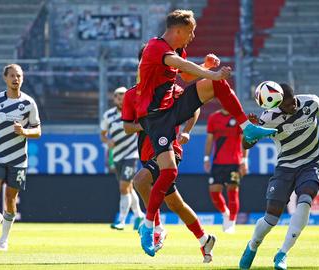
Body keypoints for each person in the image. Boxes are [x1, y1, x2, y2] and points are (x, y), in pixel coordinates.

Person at [136, 9, 277, 258]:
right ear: (178, 30)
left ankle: (248, 127)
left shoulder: (176, 49)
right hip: (155, 118)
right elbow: (180, 65)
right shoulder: (155, 48)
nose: (193, 36)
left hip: (172, 111)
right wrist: (210, 71)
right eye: (191, 32)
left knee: (216, 84)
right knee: (168, 176)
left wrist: (207, 69)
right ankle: (151, 226)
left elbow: (188, 73)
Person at [239, 83, 319, 270]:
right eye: (286, 106)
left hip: (311, 163)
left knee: (305, 201)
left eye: (292, 103)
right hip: (285, 167)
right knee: (271, 218)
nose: (291, 107)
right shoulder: (268, 118)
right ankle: (252, 246)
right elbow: (246, 145)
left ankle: (282, 254)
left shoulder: (310, 102)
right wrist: (253, 129)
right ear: (277, 104)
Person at [122, 82, 216, 262]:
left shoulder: (173, 90)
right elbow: (127, 127)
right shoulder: (131, 95)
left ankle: (157, 228)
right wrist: (148, 125)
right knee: (175, 204)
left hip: (170, 150)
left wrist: (187, 131)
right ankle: (205, 240)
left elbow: (194, 107)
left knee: (140, 181)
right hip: (147, 152)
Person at [0, 64, 41, 251]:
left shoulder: (29, 103)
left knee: (11, 200)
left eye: (19, 76)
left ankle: (4, 240)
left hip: (18, 159)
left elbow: (38, 130)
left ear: (23, 78)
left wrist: (25, 131)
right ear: (5, 78)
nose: (16, 79)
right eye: (12, 75)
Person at [100, 87, 145, 230]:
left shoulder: (133, 112)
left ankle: (122, 220)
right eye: (118, 96)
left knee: (123, 187)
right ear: (114, 98)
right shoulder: (108, 116)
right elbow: (102, 133)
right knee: (128, 188)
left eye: (123, 96)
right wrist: (107, 141)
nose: (120, 98)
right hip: (117, 155)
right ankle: (139, 216)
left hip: (131, 155)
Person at [204, 108, 248, 233]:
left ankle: (231, 222)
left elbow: (244, 141)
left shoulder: (238, 117)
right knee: (214, 192)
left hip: (235, 163)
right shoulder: (213, 117)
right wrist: (206, 158)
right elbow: (209, 140)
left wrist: (244, 161)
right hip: (218, 163)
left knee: (232, 192)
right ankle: (225, 213)